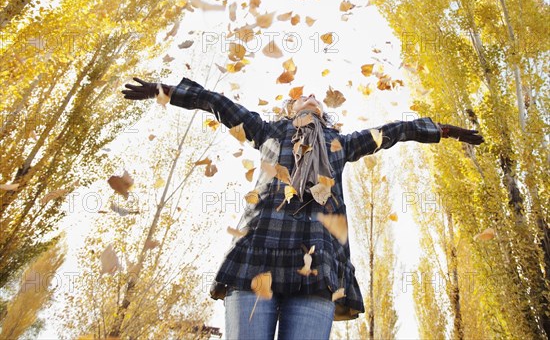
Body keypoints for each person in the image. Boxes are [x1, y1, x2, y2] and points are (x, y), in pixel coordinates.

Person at [122, 76, 484, 340]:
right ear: (290, 110)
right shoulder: (267, 132)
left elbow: (392, 131)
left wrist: (441, 130)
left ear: (324, 116)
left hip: (317, 265)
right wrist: (165, 90)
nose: (310, 96)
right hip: (257, 257)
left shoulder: (341, 143)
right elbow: (218, 103)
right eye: (302, 96)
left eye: (316, 98)